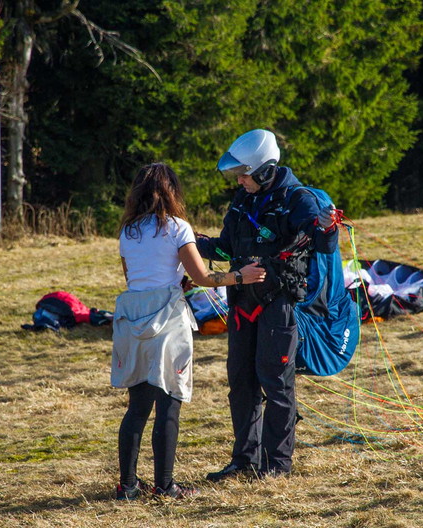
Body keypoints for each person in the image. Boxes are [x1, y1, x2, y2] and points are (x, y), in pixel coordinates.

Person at [111, 162, 266, 500]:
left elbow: (135, 278)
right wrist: (242, 275)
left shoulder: (128, 231)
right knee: (169, 404)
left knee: (137, 406)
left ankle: (127, 486)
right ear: (172, 192)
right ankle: (165, 487)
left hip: (131, 317)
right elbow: (204, 278)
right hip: (167, 319)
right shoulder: (178, 228)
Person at [196, 129, 340, 481]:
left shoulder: (298, 198)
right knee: (241, 382)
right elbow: (226, 248)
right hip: (242, 302)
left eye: (244, 173)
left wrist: (328, 227)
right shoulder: (242, 201)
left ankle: (277, 465)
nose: (239, 180)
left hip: (279, 304)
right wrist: (190, 243)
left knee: (275, 382)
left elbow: (323, 245)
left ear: (264, 170)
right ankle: (244, 461)